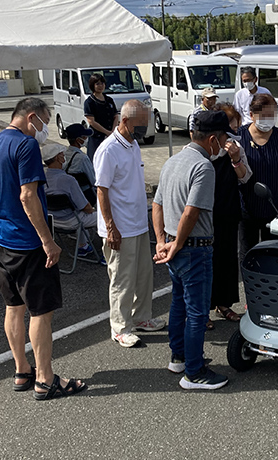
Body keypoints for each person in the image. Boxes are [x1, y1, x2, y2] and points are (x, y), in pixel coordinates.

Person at [0, 97, 86, 400]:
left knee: (13, 307)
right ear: (31, 117)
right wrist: (48, 241)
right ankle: (45, 379)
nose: (45, 128)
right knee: (41, 312)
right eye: (45, 121)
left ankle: (22, 370)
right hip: (27, 242)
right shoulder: (26, 146)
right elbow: (27, 196)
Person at [152, 110, 232, 390]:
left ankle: (179, 357)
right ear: (212, 139)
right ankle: (194, 372)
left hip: (173, 245)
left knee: (178, 303)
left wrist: (162, 241)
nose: (224, 144)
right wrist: (177, 243)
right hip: (194, 248)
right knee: (197, 312)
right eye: (223, 138)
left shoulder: (173, 161)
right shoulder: (203, 167)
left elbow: (157, 204)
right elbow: (191, 211)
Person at [94, 99, 165, 348]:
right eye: (140, 124)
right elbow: (101, 191)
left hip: (138, 223)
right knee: (122, 280)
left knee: (144, 276)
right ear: (124, 121)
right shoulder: (108, 150)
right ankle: (120, 327)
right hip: (120, 227)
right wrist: (110, 227)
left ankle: (141, 317)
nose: (144, 129)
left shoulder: (133, 144)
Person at [207, 103, 253, 329]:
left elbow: (245, 177)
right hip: (205, 214)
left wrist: (235, 159)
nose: (234, 134)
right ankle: (202, 309)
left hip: (229, 210)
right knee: (207, 261)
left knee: (226, 259)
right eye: (230, 129)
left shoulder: (236, 148)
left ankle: (223, 304)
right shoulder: (203, 149)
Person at [237, 93, 278, 261]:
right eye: (263, 116)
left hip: (274, 207)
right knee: (247, 253)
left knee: (272, 253)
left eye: (271, 115)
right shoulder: (239, 137)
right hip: (246, 207)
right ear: (251, 115)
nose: (267, 120)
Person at [42, 144, 98, 258]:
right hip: (70, 221)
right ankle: (103, 249)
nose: (64, 157)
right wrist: (94, 211)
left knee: (78, 213)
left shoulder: (42, 177)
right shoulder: (68, 180)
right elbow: (85, 207)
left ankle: (83, 245)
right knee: (106, 216)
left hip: (51, 220)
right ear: (59, 158)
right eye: (62, 155)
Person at [84, 73, 118, 162]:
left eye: (102, 83)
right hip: (96, 137)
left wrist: (112, 131)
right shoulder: (89, 102)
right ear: (92, 85)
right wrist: (106, 132)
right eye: (97, 83)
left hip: (111, 136)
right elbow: (91, 121)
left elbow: (115, 116)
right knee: (96, 160)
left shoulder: (109, 100)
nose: (100, 86)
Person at [64, 123, 97, 206]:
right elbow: (93, 180)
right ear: (78, 140)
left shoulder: (64, 154)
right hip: (85, 195)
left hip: (69, 193)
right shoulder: (82, 158)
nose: (86, 139)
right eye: (85, 137)